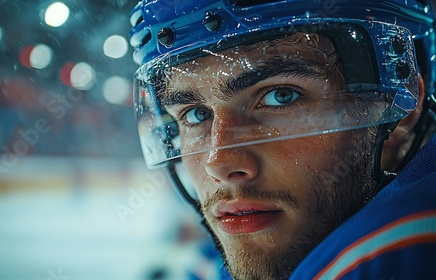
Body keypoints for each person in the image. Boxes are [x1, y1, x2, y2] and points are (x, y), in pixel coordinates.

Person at [129, 0, 436, 279]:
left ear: (401, 113)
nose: (219, 163)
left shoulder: (404, 249)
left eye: (280, 97)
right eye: (195, 114)